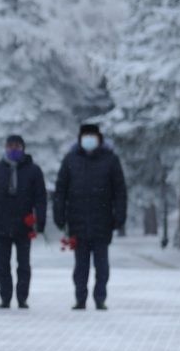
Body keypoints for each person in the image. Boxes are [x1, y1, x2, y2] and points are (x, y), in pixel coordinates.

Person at [53, 122, 129, 311]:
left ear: (99, 139)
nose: (89, 140)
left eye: (92, 136)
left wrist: (119, 216)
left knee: (102, 264)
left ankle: (100, 297)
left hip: (103, 220)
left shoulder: (110, 160)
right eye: (85, 136)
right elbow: (61, 190)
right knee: (81, 265)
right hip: (77, 221)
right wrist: (59, 214)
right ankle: (80, 298)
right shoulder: (70, 160)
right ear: (80, 139)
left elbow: (120, 190)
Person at [0, 134, 47, 309]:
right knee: (2, 264)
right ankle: (6, 297)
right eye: (10, 146)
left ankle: (22, 297)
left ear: (23, 148)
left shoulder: (33, 170)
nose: (13, 149)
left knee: (23, 264)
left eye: (17, 146)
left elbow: (40, 197)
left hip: (24, 224)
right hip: (0, 224)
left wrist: (40, 219)